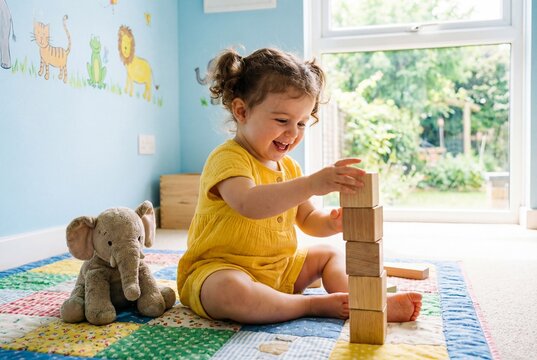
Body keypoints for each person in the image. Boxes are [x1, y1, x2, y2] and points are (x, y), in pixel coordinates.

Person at [177, 47, 422, 324]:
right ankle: (311, 306)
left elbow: (306, 218)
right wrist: (312, 184)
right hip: (221, 269)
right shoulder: (228, 158)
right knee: (229, 292)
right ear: (241, 111)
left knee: (329, 253)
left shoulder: (290, 168)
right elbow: (250, 203)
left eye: (302, 123)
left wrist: (331, 223)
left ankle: (364, 300)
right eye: (282, 120)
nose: (293, 133)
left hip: (281, 269)